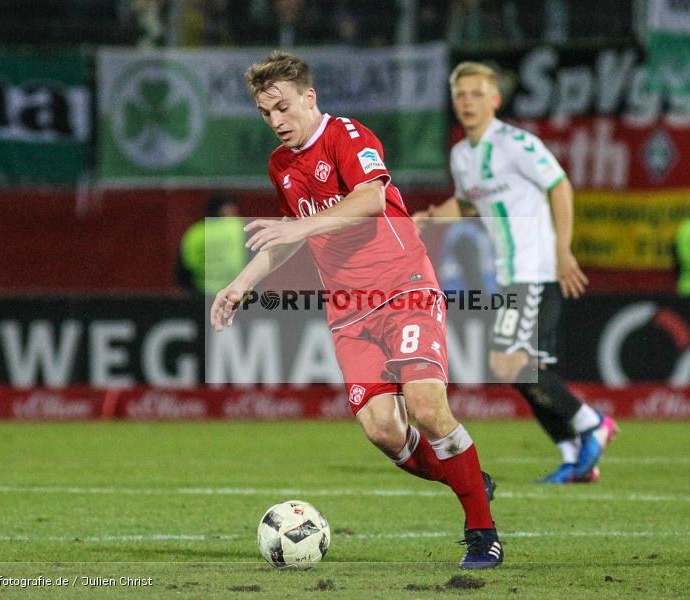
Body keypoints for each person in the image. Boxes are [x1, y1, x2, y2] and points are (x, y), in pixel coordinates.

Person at [210, 51, 502, 569]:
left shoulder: (347, 135)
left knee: (428, 407)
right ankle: (467, 480)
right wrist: (239, 285)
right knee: (382, 430)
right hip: (349, 311)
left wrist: (301, 226)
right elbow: (288, 237)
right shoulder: (281, 166)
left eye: (282, 107)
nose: (276, 121)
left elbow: (370, 198)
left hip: (403, 288)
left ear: (308, 97)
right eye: (265, 113)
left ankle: (482, 533)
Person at [414, 61, 617, 484]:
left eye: (475, 93)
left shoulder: (515, 144)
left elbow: (559, 185)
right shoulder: (462, 155)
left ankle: (591, 423)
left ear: (495, 99)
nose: (467, 102)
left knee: (509, 365)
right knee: (526, 372)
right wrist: (433, 218)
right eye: (460, 95)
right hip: (509, 275)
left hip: (535, 269)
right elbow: (469, 203)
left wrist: (563, 251)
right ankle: (575, 455)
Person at [176, 194, 246, 294]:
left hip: (200, 292)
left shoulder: (195, 231)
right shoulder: (239, 227)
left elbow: (183, 268)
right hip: (234, 293)